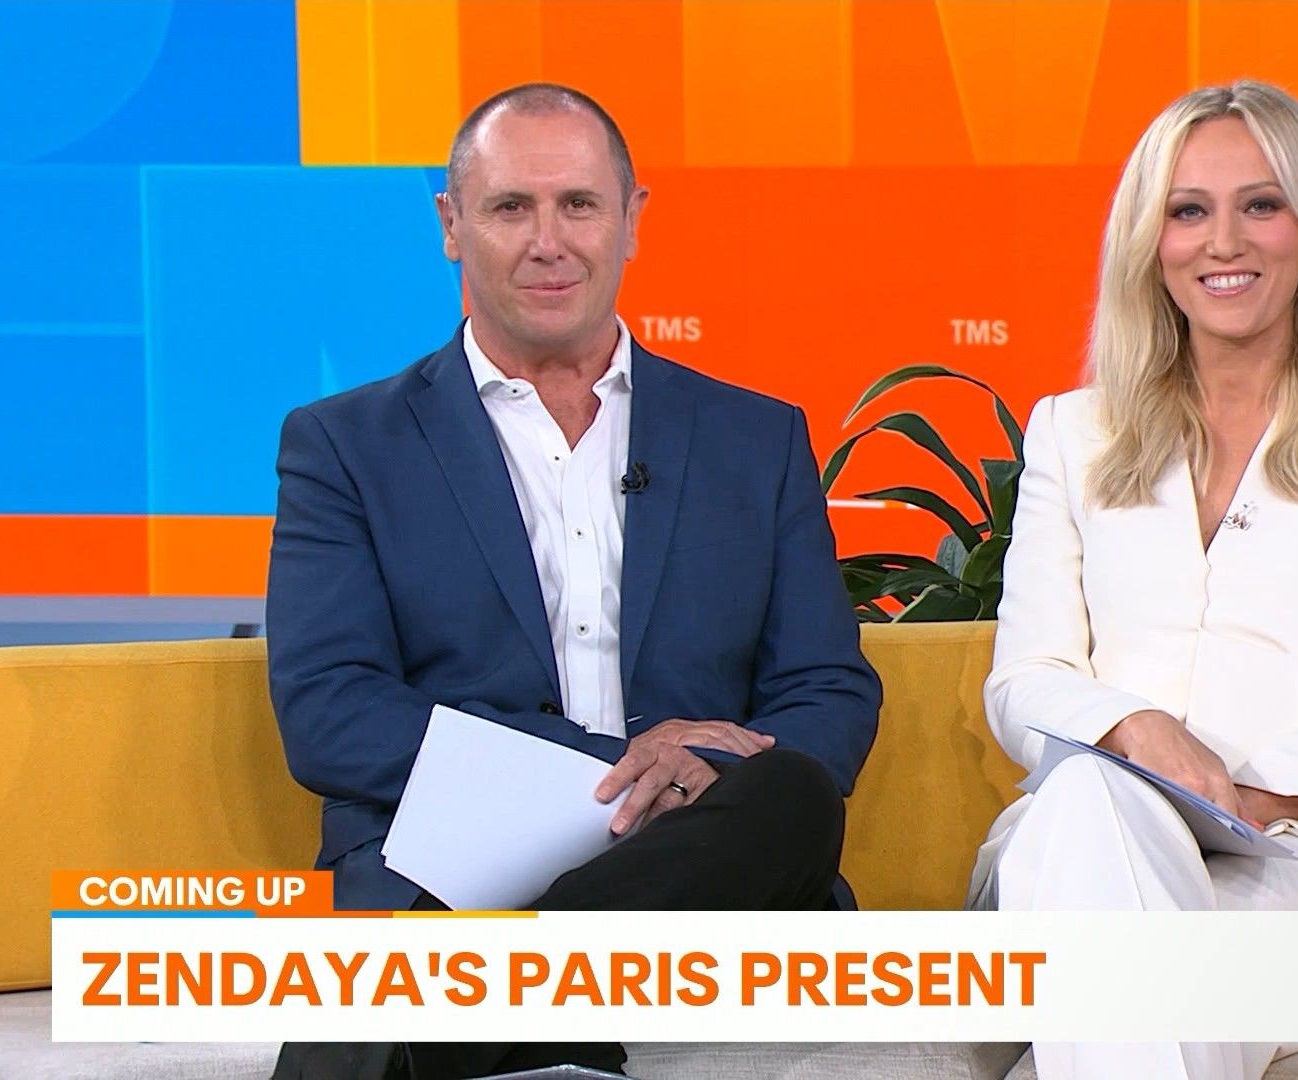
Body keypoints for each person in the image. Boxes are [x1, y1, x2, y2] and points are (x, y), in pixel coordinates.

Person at [266, 82, 880, 1079]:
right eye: (511, 207)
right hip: (452, 861)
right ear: (451, 225)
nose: (547, 242)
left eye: (579, 205)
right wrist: (619, 769)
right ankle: (540, 988)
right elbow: (332, 713)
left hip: (705, 853)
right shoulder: (347, 445)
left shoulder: (755, 438)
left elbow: (828, 690)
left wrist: (698, 770)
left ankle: (479, 994)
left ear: (631, 221)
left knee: (792, 796)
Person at [968, 81, 1298, 1080]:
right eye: (1188, 211)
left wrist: (1255, 795)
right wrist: (1132, 730)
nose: (1224, 242)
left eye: (1261, 205)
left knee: (1148, 962)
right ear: (1150, 242)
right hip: (1093, 841)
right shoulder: (1074, 433)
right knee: (1092, 813)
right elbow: (1025, 679)